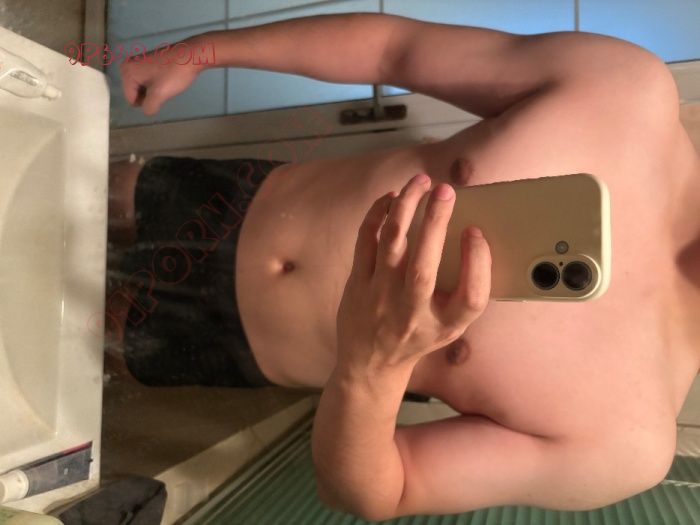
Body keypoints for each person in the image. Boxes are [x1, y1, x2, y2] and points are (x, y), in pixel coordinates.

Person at [109, 13, 700, 520]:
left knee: (60, 350)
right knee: (68, 179)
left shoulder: (628, 441)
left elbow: (379, 493)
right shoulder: (627, 93)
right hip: (221, 197)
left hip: (217, 340)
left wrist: (374, 367)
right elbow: (395, 49)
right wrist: (204, 51)